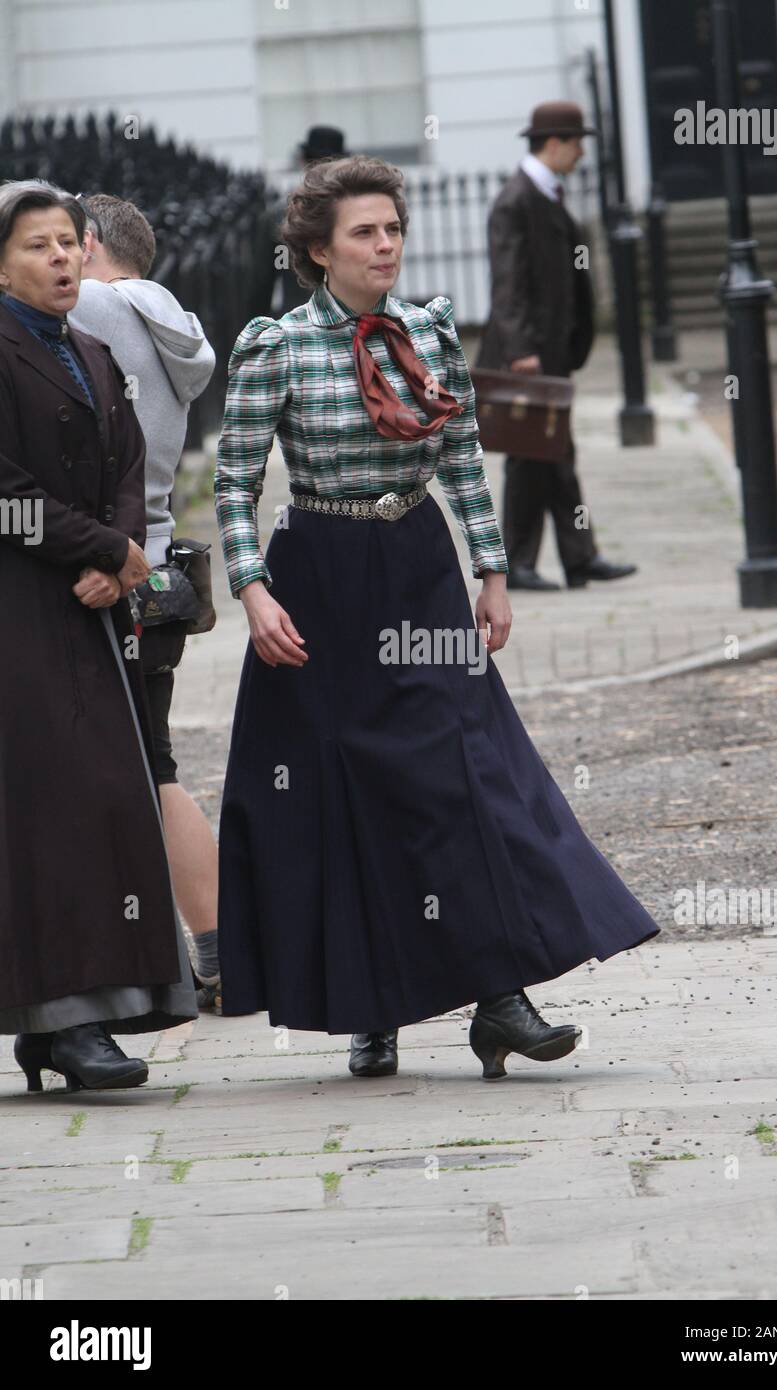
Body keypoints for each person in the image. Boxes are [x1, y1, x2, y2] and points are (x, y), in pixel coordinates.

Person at [214, 154, 660, 1082]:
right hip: (320, 580)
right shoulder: (277, 347)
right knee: (346, 792)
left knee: (463, 774)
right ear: (316, 250)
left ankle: (501, 997)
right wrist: (253, 591)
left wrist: (492, 570)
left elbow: (462, 458)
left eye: (393, 229)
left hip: (418, 569)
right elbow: (233, 483)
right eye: (364, 234)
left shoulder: (430, 332)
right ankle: (368, 1006)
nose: (386, 247)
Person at [0, 179, 197, 1092]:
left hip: (96, 605)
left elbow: (129, 456)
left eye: (70, 243)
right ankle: (67, 1020)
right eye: (39, 246)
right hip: (22, 609)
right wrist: (103, 546)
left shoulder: (88, 346)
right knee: (58, 808)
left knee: (113, 794)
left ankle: (80, 1017)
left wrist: (121, 554)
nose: (63, 258)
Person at [68, 193, 222, 1012]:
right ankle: (223, 947)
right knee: (154, 765)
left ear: (86, 244)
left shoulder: (95, 306)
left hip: (105, 568)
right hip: (160, 567)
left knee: (128, 771)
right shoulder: (171, 324)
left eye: (59, 242)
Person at [477, 100, 638, 592]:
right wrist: (522, 349)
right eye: (577, 142)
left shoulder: (544, 195)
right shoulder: (515, 202)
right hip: (528, 356)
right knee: (533, 457)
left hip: (549, 352)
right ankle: (517, 565)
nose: (582, 152)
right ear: (553, 143)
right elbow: (508, 285)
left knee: (556, 457)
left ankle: (578, 556)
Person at [271, 126, 349, 317]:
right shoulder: (359, 214)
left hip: (297, 325)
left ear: (303, 161)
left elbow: (262, 283)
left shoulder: (278, 216)